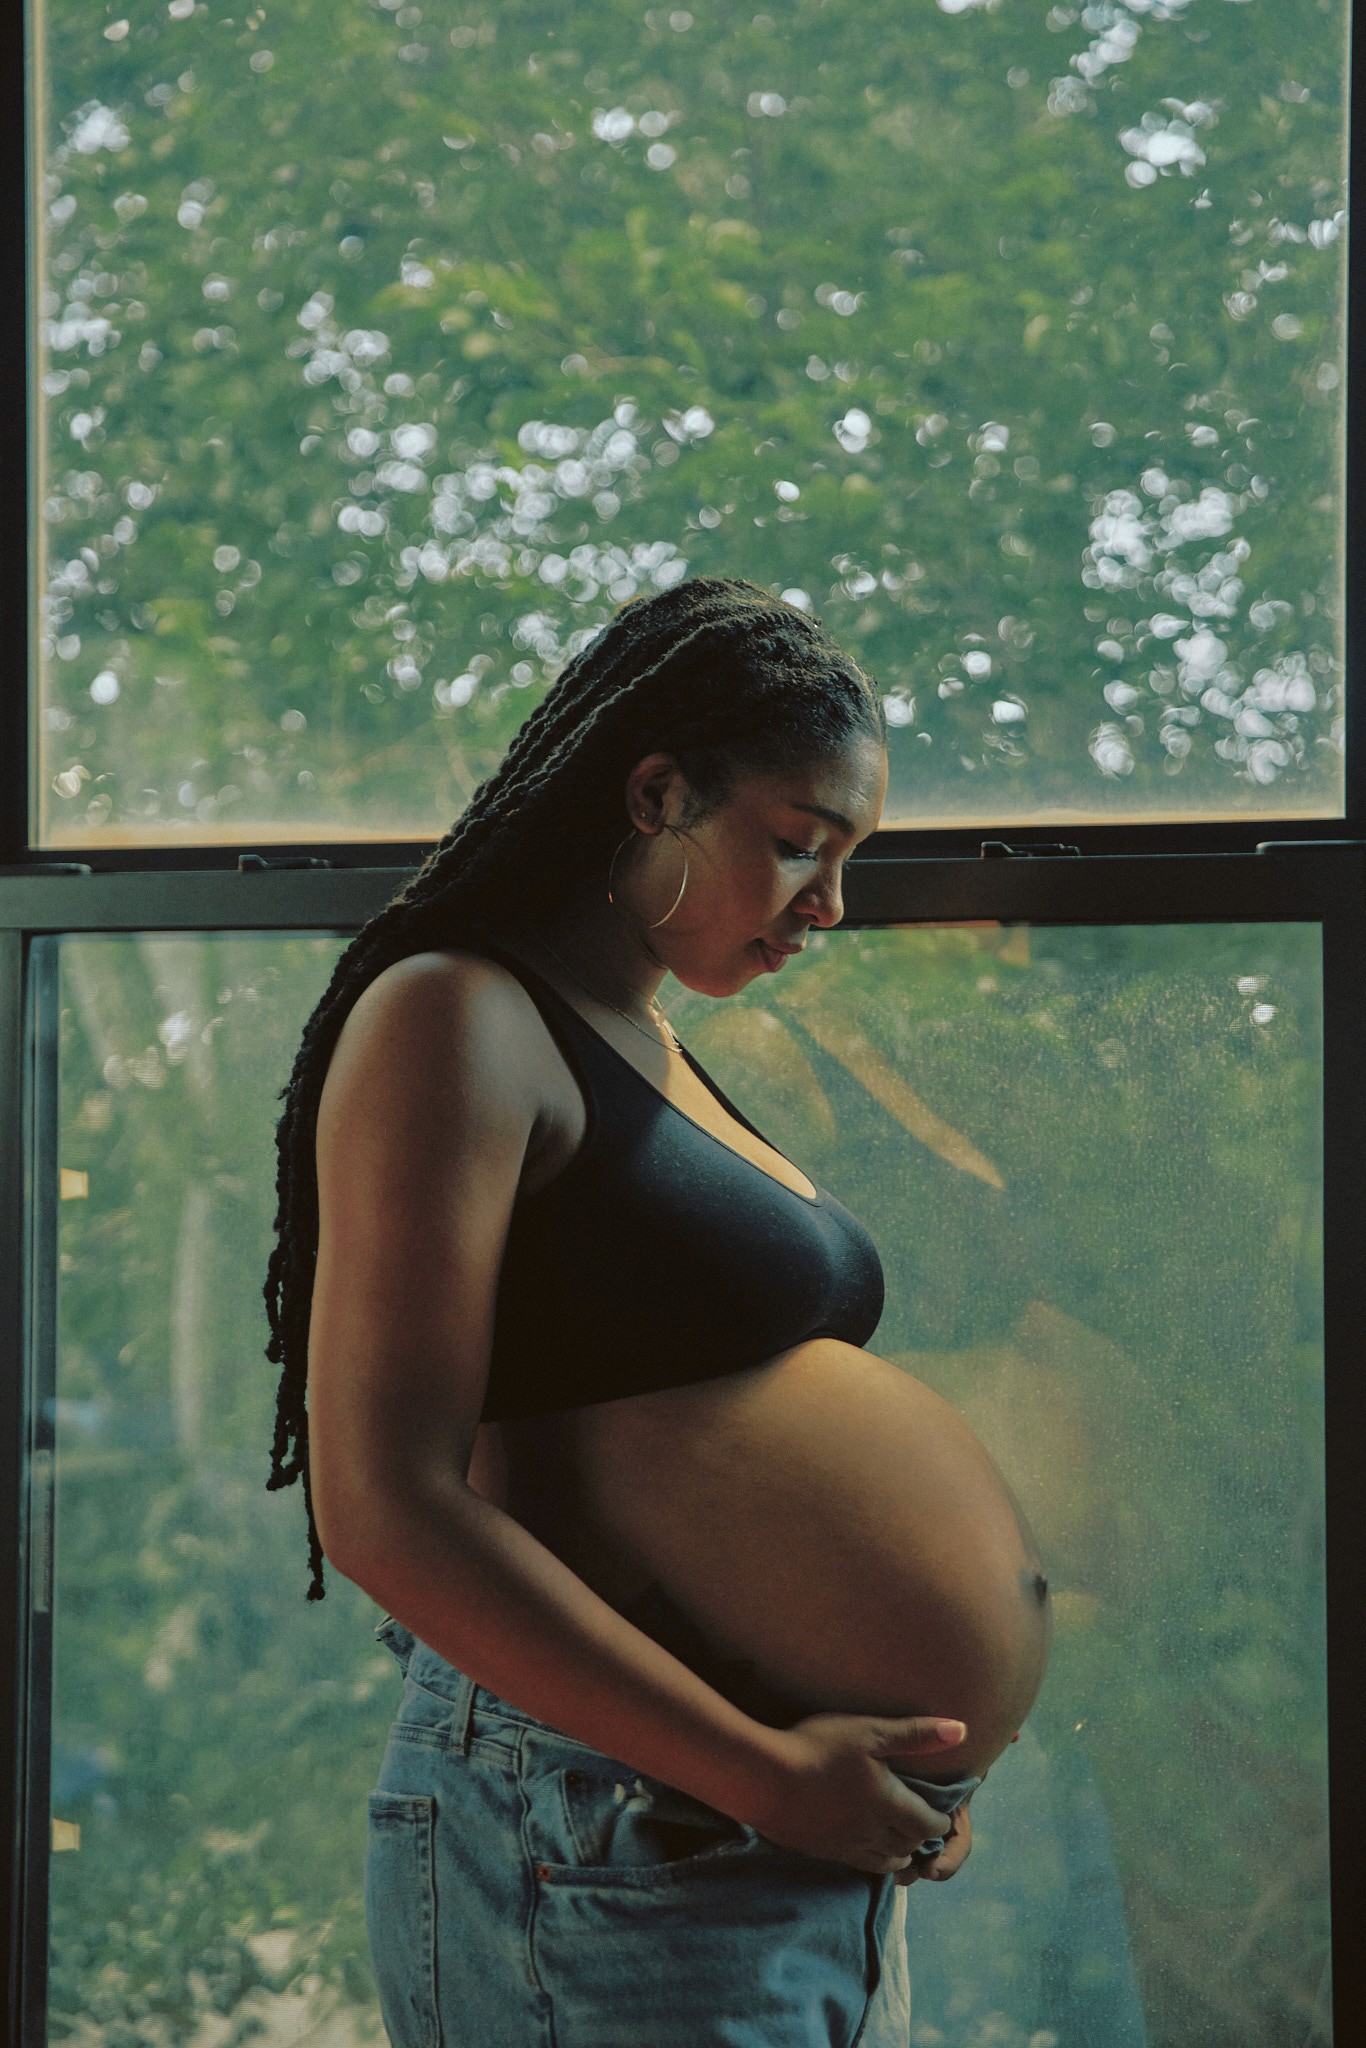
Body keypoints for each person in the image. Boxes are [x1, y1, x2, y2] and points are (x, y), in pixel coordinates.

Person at [262, 577, 1053, 2046]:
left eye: (848, 861)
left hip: (764, 1841)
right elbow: (383, 1506)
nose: (828, 908)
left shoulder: (652, 1044)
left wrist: (883, 1787)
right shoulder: (456, 1012)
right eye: (799, 847)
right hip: (611, 1828)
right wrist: (764, 1774)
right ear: (653, 791)